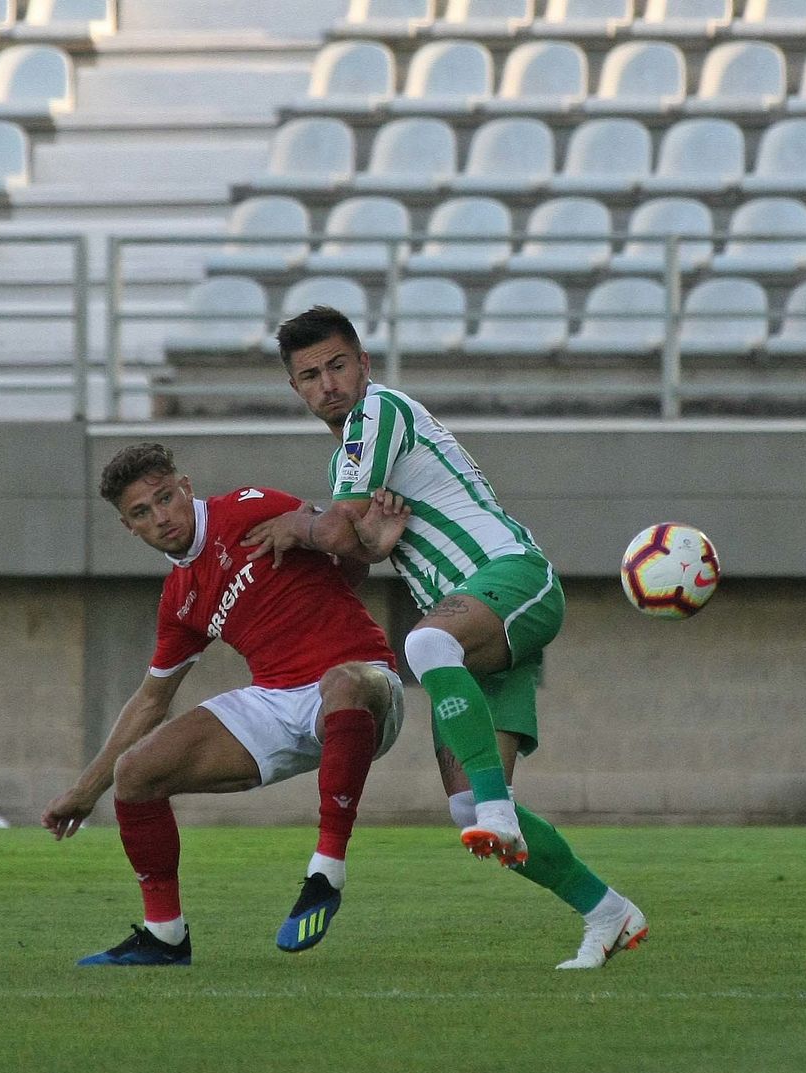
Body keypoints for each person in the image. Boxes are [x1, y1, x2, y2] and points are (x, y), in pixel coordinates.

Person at [240, 305, 647, 970]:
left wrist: (298, 522)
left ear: (364, 364)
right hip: (471, 621)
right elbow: (358, 546)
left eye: (338, 365)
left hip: (512, 578)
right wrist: (378, 541)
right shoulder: (354, 447)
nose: (329, 384)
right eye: (310, 375)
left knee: (425, 648)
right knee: (469, 809)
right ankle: (608, 913)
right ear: (296, 389)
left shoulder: (378, 411)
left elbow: (337, 532)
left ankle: (501, 808)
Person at [42, 442, 410, 966]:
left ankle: (325, 873)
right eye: (142, 513)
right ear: (130, 528)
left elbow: (344, 556)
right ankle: (164, 936)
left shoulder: (249, 506)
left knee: (343, 683)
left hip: (365, 683)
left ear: (186, 487)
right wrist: (84, 791)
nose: (161, 517)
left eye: (165, 498)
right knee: (136, 774)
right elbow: (151, 701)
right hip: (278, 700)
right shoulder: (179, 599)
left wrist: (366, 544)